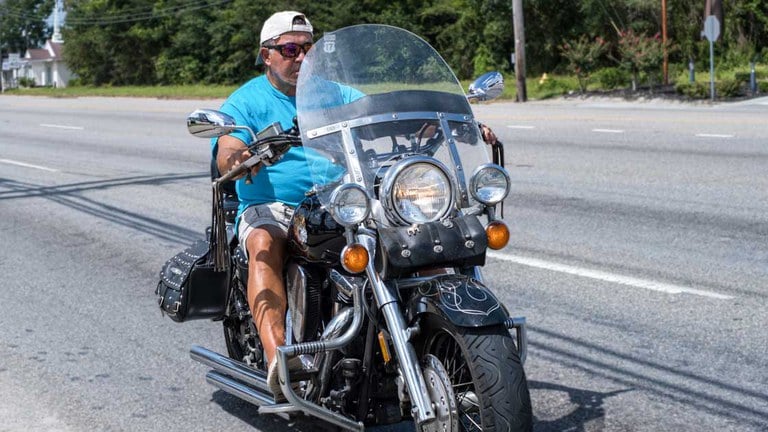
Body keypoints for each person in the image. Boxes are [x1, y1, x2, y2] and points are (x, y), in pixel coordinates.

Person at [212, 10, 501, 400]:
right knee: (264, 244)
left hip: (342, 196)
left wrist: (455, 121)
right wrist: (239, 157)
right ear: (267, 55)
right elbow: (227, 148)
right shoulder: (247, 100)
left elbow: (382, 116)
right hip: (274, 204)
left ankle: (434, 333)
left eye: (307, 48)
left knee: (417, 235)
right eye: (290, 49)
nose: (300, 57)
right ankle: (278, 357)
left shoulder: (332, 93)